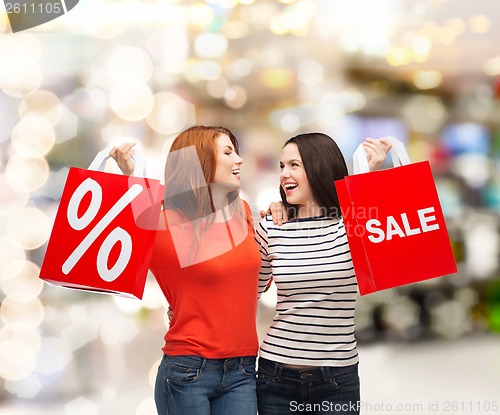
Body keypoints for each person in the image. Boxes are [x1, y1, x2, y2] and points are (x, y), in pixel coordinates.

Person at [110, 126, 262, 415]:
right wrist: (132, 174)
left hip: (243, 370)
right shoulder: (164, 221)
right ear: (200, 162)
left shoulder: (243, 211)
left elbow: (256, 280)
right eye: (228, 152)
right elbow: (115, 239)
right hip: (188, 372)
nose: (239, 159)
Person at [255, 133, 391, 415]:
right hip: (275, 376)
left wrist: (370, 174)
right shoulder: (271, 226)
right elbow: (249, 291)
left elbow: (395, 243)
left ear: (319, 167)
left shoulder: (354, 224)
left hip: (337, 379)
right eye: (281, 166)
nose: (284, 174)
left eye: (294, 165)